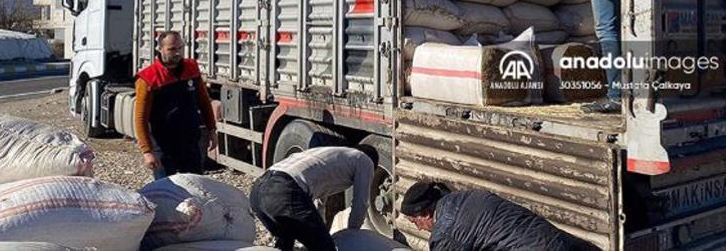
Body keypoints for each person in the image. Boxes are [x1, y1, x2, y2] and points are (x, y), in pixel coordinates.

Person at [249, 145, 379, 251]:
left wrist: (319, 230)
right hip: (284, 191)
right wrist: (351, 235)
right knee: (325, 248)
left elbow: (320, 204)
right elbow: (360, 203)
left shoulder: (334, 157)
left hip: (258, 193)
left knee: (286, 243)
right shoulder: (364, 160)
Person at [400, 181, 592, 250]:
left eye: (415, 223)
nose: (418, 229)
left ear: (425, 214)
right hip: (565, 242)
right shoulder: (465, 197)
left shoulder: (444, 236)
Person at [134, 31, 217, 178]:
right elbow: (141, 119)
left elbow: (204, 102)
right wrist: (147, 152)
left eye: (180, 48)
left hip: (190, 144)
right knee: (166, 192)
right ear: (160, 49)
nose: (177, 53)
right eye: (172, 49)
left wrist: (211, 130)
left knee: (195, 187)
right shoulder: (148, 78)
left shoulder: (191, 68)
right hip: (163, 147)